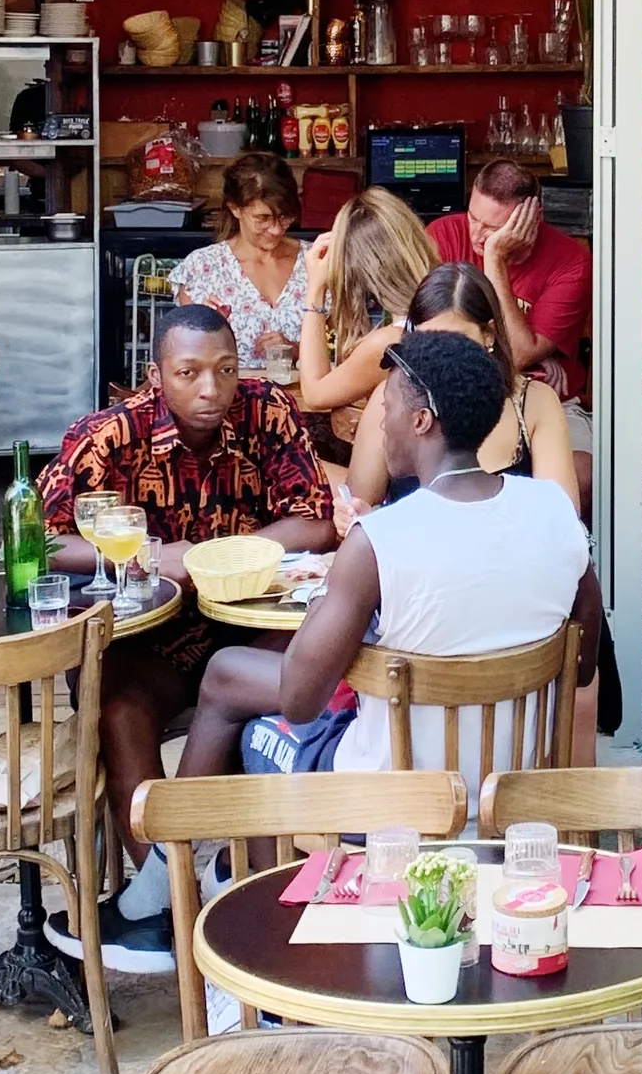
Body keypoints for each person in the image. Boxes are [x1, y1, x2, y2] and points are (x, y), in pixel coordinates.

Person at [37, 300, 336, 972]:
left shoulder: (267, 411)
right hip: (149, 638)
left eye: (225, 370)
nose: (210, 389)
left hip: (248, 624)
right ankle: (165, 895)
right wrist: (145, 554)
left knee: (275, 687)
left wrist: (222, 554)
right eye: (190, 372)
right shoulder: (108, 437)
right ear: (157, 374)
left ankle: (243, 880)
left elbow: (315, 522)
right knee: (117, 705)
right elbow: (47, 542)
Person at [179, 329, 597, 796]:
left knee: (259, 728)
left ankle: (216, 868)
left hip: (391, 799)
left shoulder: (379, 540)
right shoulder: (554, 510)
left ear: (421, 421)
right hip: (515, 788)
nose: (377, 424)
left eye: (388, 407)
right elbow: (580, 667)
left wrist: (326, 596)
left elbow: (298, 701)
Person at [344, 264, 581, 509]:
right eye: (427, 340)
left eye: (456, 341)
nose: (441, 356)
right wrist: (358, 516)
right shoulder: (390, 399)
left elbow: (561, 515)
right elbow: (358, 502)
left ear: (489, 334)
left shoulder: (535, 403)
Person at [428, 159, 592, 401]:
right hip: (461, 391)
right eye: (473, 217)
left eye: (493, 227)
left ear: (532, 219)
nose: (476, 234)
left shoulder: (573, 262)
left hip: (547, 398)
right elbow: (426, 333)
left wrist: (495, 258)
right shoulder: (443, 234)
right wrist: (528, 347)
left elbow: (516, 355)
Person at [295, 187, 437, 439]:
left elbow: (315, 395)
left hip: (415, 476)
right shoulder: (447, 304)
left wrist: (315, 288)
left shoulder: (391, 343)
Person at [172, 151, 309, 372]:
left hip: (307, 402)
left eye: (284, 217)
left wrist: (296, 349)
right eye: (262, 218)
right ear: (235, 208)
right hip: (229, 403)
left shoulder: (316, 262)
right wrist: (206, 328)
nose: (276, 229)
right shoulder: (202, 268)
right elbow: (182, 361)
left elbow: (349, 348)